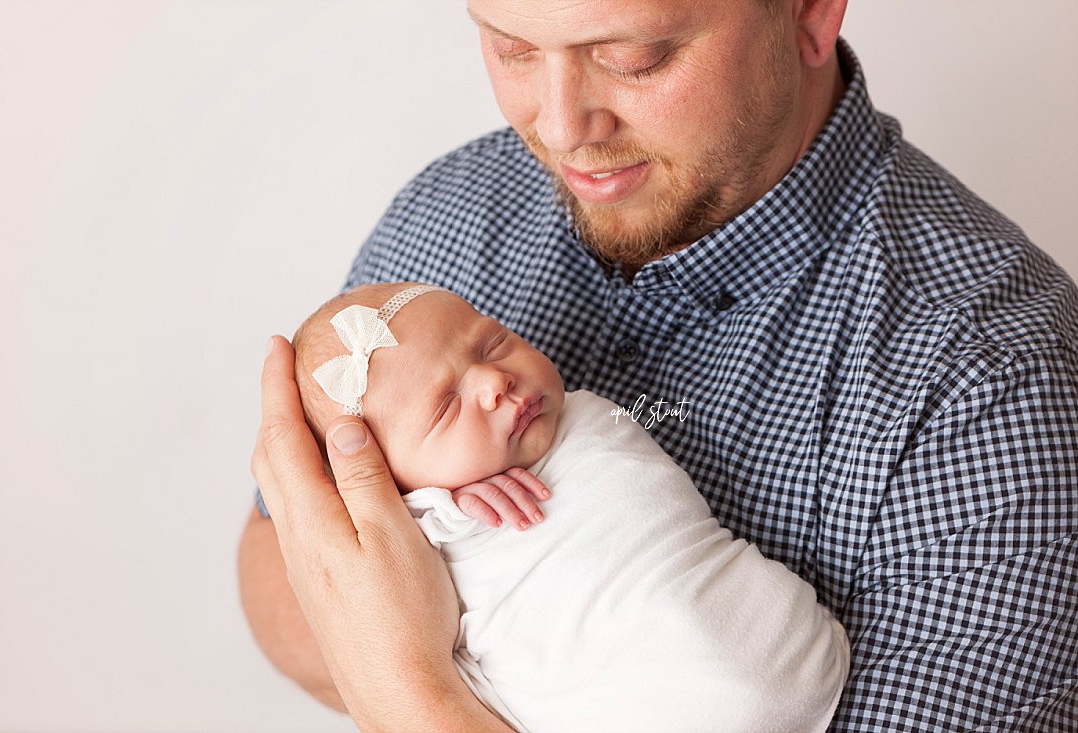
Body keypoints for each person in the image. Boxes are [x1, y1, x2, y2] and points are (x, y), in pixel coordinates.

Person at [240, 1, 1078, 730]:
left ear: (812, 9)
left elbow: (349, 611)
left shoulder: (998, 382)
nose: (563, 128)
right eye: (511, 47)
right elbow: (272, 568)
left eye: (633, 56)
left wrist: (415, 693)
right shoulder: (451, 210)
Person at [287, 281, 850, 733]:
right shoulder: (424, 527)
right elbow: (387, 591)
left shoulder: (588, 413)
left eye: (493, 343)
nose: (494, 381)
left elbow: (645, 425)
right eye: (446, 407)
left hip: (795, 650)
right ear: (387, 480)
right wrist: (440, 508)